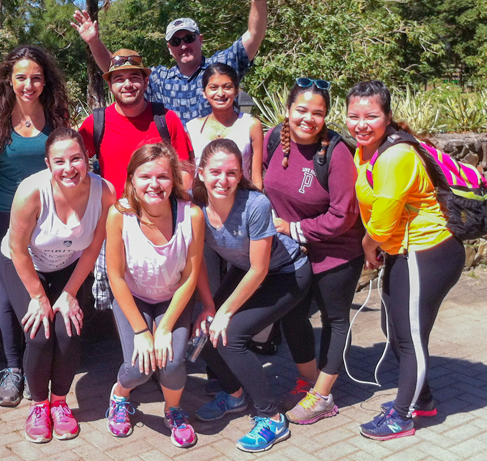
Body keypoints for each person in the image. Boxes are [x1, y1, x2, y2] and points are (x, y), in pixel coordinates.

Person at [346, 81, 465, 441]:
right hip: (403, 251)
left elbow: (381, 222)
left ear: (387, 116)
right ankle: (422, 400)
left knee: (410, 337)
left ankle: (403, 416)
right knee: (394, 331)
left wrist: (369, 245)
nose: (361, 124)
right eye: (353, 116)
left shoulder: (396, 156)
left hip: (427, 252)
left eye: (371, 116)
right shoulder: (366, 150)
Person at [0, 127, 115, 443]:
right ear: (48, 164)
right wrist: (38, 296)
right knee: (38, 335)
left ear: (87, 158)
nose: (69, 168)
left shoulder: (104, 192)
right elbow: (19, 250)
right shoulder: (31, 191)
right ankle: (38, 407)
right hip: (22, 263)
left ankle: (59, 403)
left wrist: (69, 294)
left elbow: (92, 248)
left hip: (68, 267)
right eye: (59, 161)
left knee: (68, 330)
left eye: (75, 158)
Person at [193, 139, 311, 453]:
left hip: (286, 274)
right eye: (215, 171)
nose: (223, 180)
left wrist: (224, 312)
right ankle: (234, 395)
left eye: (231, 173)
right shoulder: (196, 204)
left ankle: (271, 417)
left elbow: (260, 270)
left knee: (230, 335)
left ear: (242, 173)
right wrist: (208, 307)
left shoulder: (255, 204)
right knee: (200, 331)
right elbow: (197, 262)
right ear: (201, 172)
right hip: (243, 270)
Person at [261, 79, 364, 425]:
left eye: (318, 113)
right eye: (301, 110)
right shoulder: (274, 139)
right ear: (288, 110)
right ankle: (308, 379)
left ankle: (322, 396)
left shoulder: (336, 154)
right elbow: (262, 184)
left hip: (335, 252)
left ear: (326, 116)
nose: (308, 118)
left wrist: (294, 228)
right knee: (291, 314)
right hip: (293, 254)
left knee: (334, 320)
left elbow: (344, 214)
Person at [71, 0, 273, 124]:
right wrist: (94, 41)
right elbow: (116, 69)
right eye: (176, 42)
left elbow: (254, 35)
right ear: (169, 48)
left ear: (200, 39)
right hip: (177, 167)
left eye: (188, 38)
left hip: (218, 167)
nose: (183, 45)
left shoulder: (221, 67)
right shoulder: (160, 81)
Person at [0, 46, 72, 407]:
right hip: (1, 211)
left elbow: (68, 158)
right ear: (9, 79)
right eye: (21, 77)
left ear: (45, 79)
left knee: (40, 287)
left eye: (35, 76)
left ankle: (42, 362)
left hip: (46, 214)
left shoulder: (56, 113)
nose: (28, 84)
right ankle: (13, 370)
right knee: (8, 291)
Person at [105, 142, 204, 449]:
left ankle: (173, 409)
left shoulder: (193, 215)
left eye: (162, 177)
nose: (154, 185)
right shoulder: (119, 214)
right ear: (132, 179)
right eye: (145, 176)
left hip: (172, 299)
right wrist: (141, 332)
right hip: (132, 297)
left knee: (171, 363)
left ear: (173, 179)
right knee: (139, 367)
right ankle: (120, 395)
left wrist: (162, 330)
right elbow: (116, 276)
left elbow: (190, 277)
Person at [77, 49, 194, 310]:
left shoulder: (166, 119)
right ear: (109, 84)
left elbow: (185, 170)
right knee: (118, 296)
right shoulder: (98, 122)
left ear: (145, 81)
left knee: (166, 289)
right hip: (116, 223)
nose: (127, 84)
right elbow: (74, 164)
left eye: (134, 77)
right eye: (119, 78)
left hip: (160, 222)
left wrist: (175, 213)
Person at [186, 63, 264, 188]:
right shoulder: (193, 129)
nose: (220, 93)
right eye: (213, 87)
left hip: (241, 200)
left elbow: (257, 179)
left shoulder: (251, 125)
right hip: (204, 203)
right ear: (204, 93)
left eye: (227, 87)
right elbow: (189, 178)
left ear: (237, 91)